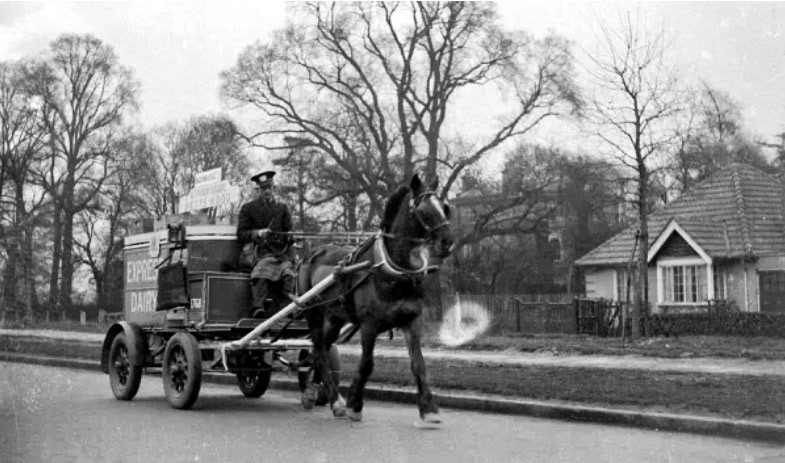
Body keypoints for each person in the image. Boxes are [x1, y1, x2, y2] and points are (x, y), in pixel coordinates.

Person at [237, 170, 295, 318]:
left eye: (269, 187)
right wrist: (258, 233)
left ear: (274, 188)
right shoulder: (248, 208)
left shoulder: (282, 208)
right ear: (258, 189)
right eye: (264, 188)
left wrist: (290, 237)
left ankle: (287, 307)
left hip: (281, 255)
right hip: (260, 253)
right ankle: (258, 307)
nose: (267, 191)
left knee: (289, 274)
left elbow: (289, 232)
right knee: (261, 273)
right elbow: (241, 234)